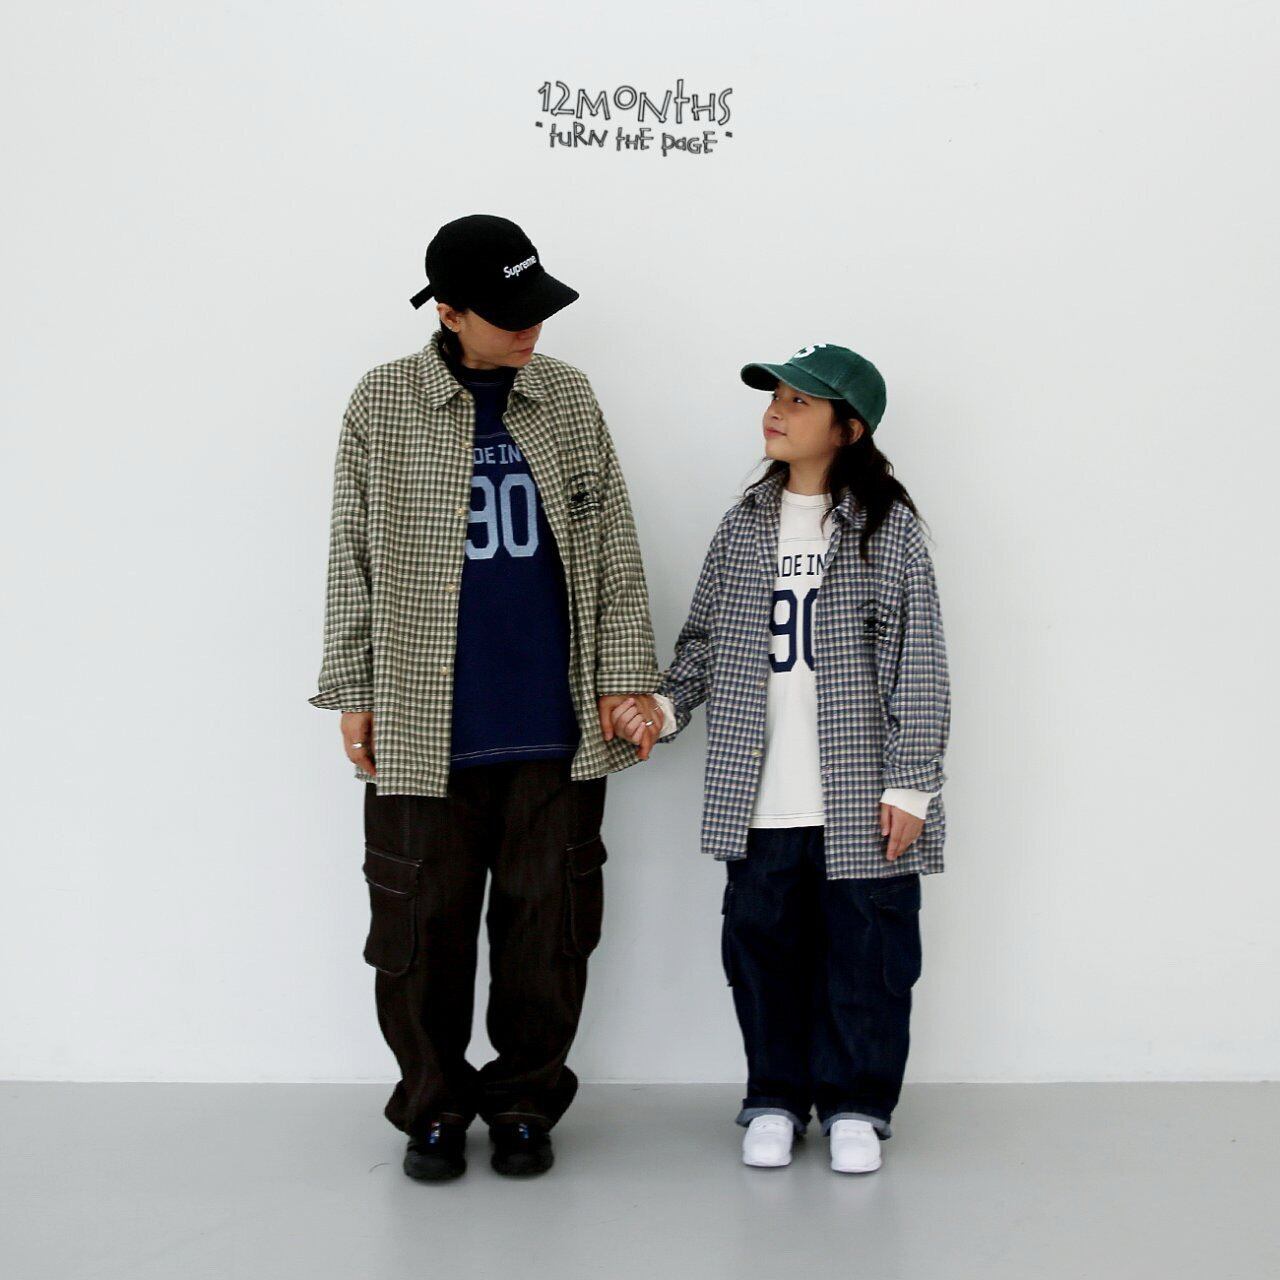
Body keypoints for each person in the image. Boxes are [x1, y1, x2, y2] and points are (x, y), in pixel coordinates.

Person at [310, 214, 666, 1181]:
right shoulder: (383, 402)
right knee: (418, 933)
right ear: (449, 312)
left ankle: (522, 1102)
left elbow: (614, 544)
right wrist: (352, 686)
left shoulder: (568, 396)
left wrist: (623, 677)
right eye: (510, 316)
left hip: (554, 724)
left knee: (549, 933)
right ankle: (432, 1108)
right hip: (423, 725)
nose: (531, 330)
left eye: (537, 310)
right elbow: (350, 553)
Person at [607, 342, 950, 1173]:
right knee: (762, 952)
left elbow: (920, 663)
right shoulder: (743, 526)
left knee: (867, 958)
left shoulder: (887, 529)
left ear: (849, 428)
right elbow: (702, 642)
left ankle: (858, 1104)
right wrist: (663, 706)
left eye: (801, 402)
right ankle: (775, 1096)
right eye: (776, 397)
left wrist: (911, 785)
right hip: (758, 795)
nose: (776, 412)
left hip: (860, 796)